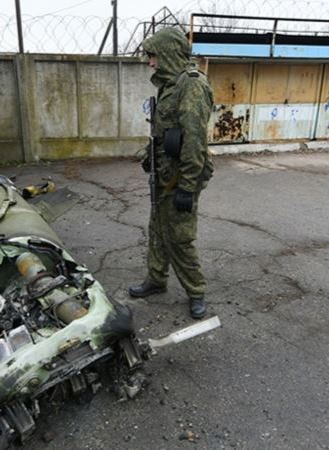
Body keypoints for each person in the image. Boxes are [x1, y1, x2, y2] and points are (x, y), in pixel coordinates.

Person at [128, 27, 214, 319]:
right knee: (158, 228)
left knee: (179, 235)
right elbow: (163, 131)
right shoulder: (168, 84)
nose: (151, 63)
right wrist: (149, 157)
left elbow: (194, 142)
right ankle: (156, 279)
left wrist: (187, 187)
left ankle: (196, 291)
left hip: (182, 175)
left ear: (166, 54)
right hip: (165, 172)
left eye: (153, 56)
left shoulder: (190, 85)